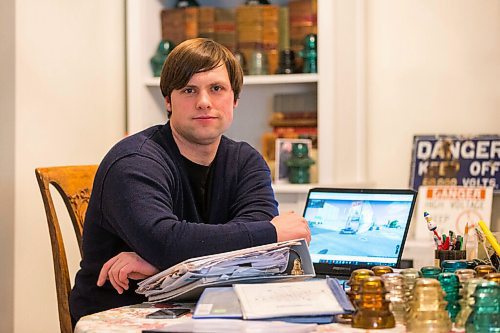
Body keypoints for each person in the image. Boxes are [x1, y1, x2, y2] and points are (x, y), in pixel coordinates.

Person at [69, 38, 311, 324]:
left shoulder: (246, 161)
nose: (204, 102)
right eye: (189, 90)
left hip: (211, 314)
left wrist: (168, 267)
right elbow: (167, 241)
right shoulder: (134, 161)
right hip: (122, 318)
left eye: (217, 88)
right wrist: (271, 233)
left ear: (234, 99)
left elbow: (256, 259)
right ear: (168, 101)